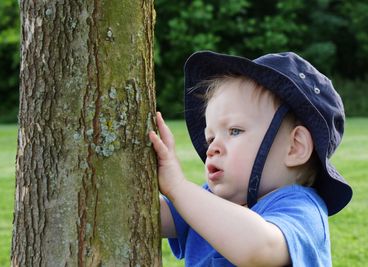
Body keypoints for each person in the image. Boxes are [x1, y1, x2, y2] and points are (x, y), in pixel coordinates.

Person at [149, 51, 353, 267]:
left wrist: (178, 187)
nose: (212, 149)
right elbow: (143, 215)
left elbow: (259, 249)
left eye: (234, 131)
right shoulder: (207, 200)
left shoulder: (302, 209)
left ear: (295, 147)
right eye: (210, 138)